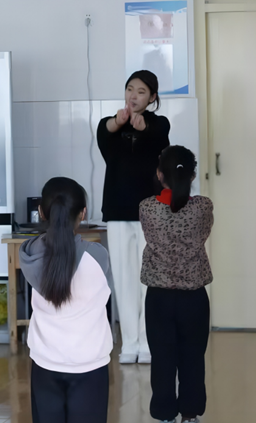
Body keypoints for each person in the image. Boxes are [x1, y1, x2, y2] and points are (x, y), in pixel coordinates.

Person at [19, 177, 113, 423]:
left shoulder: (30, 253)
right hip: (90, 365)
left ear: (41, 212)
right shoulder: (97, 257)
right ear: (83, 213)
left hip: (45, 364)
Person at [98, 69, 170, 364]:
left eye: (141, 91)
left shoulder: (159, 124)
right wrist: (119, 122)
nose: (134, 96)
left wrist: (143, 126)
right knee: (124, 278)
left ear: (152, 97)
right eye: (130, 89)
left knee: (148, 278)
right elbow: (105, 132)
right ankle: (129, 343)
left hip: (151, 212)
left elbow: (158, 135)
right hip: (118, 211)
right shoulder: (109, 124)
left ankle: (147, 341)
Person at [140, 146, 213, 423]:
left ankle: (164, 415)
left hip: (159, 298)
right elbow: (203, 232)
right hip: (194, 298)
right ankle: (190, 415)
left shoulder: (147, 208)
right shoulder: (203, 207)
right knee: (193, 358)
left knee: (162, 359)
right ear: (192, 175)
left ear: (160, 174)